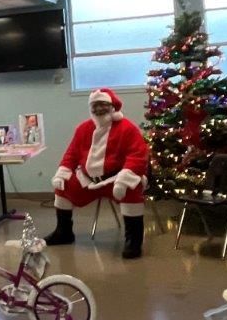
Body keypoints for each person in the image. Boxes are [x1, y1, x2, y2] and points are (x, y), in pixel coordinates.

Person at [46, 87, 150, 259]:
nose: (98, 109)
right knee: (64, 186)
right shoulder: (83, 129)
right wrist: (62, 173)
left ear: (112, 106)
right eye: (94, 105)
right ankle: (63, 232)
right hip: (88, 180)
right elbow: (71, 153)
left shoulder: (127, 128)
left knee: (133, 188)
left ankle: (133, 240)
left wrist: (123, 181)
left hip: (116, 179)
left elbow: (137, 156)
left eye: (103, 104)